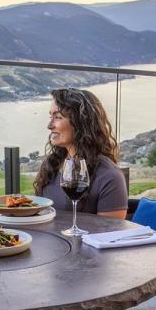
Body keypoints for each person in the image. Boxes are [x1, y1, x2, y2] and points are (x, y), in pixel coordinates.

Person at [34, 88, 128, 218]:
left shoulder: (109, 177)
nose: (49, 125)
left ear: (81, 124)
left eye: (58, 117)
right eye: (51, 117)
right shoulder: (53, 164)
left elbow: (110, 233)